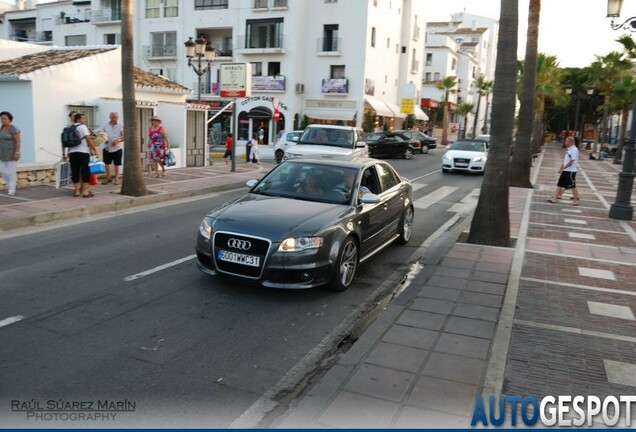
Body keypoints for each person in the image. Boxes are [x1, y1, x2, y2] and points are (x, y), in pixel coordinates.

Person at [64, 113, 98, 198]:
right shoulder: (83, 127)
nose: (85, 120)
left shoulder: (70, 128)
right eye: (83, 118)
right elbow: (88, 139)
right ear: (78, 120)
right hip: (83, 152)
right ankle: (85, 192)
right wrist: (94, 149)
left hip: (72, 153)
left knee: (75, 171)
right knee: (85, 171)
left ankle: (76, 191)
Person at [547, 136, 580, 206]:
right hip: (565, 170)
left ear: (569, 142)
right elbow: (566, 160)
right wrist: (561, 168)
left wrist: (563, 168)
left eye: (566, 141)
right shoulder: (569, 149)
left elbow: (571, 161)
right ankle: (554, 198)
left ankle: (576, 200)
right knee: (560, 184)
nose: (565, 142)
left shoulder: (574, 149)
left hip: (570, 171)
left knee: (572, 186)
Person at [0, 111, 21, 196]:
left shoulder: (13, 129)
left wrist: (16, 153)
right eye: (1, 118)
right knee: (2, 171)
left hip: (11, 154)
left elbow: (18, 141)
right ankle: (13, 184)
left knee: (11, 172)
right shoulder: (1, 128)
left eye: (4, 118)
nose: (2, 120)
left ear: (9, 119)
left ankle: (11, 190)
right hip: (2, 154)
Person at [102, 112, 124, 185]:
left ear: (117, 118)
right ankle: (108, 177)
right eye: (112, 117)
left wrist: (118, 140)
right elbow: (103, 135)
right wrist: (104, 140)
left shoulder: (121, 125)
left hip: (117, 148)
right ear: (110, 117)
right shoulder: (106, 126)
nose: (113, 119)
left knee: (116, 164)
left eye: (115, 117)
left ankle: (117, 178)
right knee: (106, 163)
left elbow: (125, 136)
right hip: (107, 147)